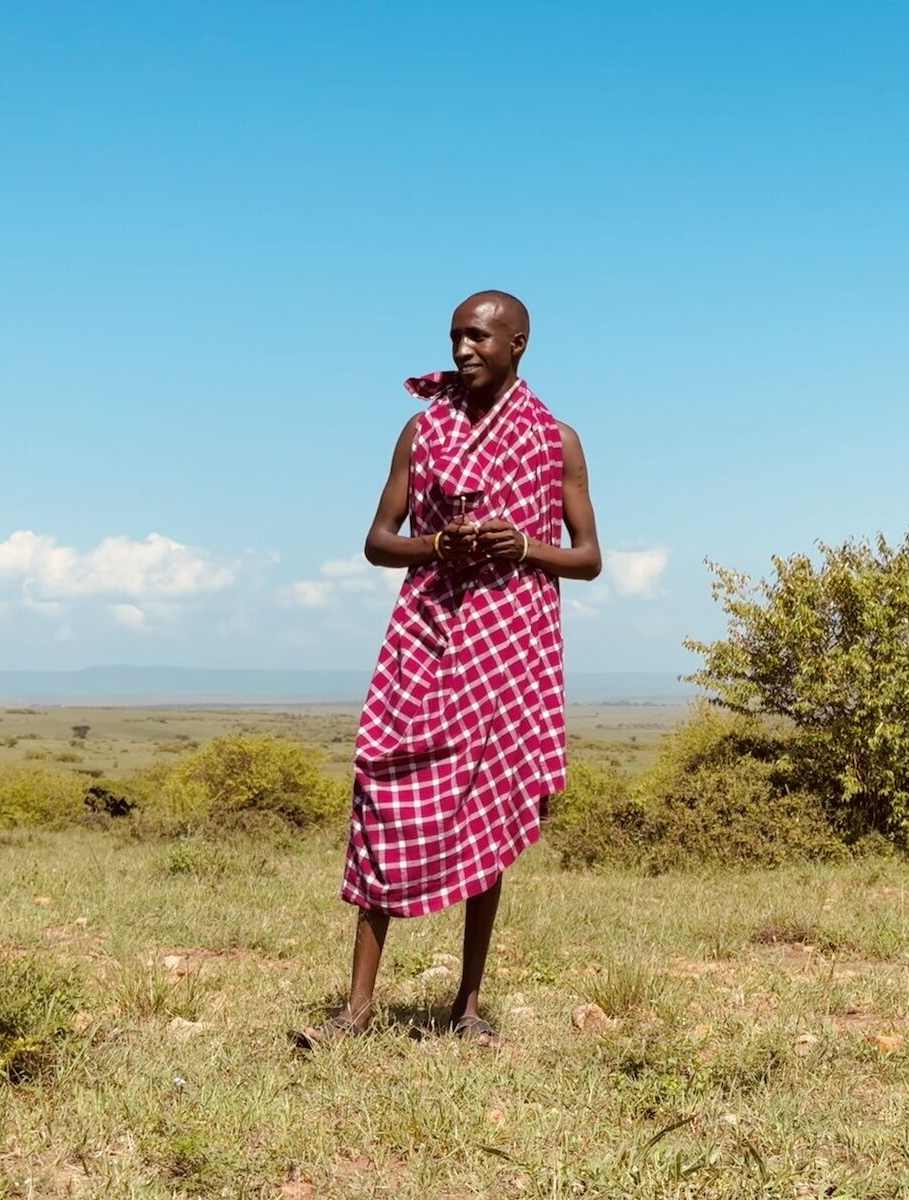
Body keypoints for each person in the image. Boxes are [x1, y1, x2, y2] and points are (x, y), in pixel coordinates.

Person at [294, 290, 600, 1048]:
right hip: (425, 640)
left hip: (511, 650)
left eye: (480, 337)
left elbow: (588, 559)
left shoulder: (556, 440)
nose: (464, 349)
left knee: (490, 813)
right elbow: (377, 540)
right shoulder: (422, 430)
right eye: (457, 336)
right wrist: (439, 546)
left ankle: (468, 1006)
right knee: (384, 796)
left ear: (518, 343)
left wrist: (520, 546)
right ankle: (355, 1013)